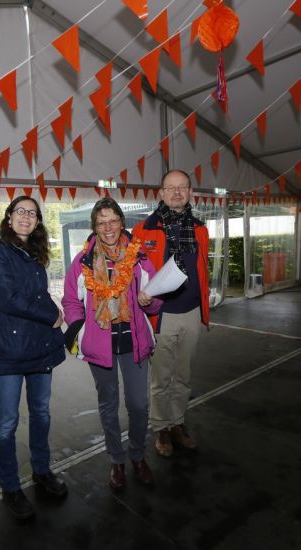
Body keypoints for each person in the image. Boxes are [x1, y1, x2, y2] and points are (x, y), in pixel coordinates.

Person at [62, 198, 162, 491]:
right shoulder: (82, 261)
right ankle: (116, 459)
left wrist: (150, 300)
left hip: (134, 342)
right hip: (100, 345)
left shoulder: (139, 256)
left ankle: (137, 455)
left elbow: (157, 297)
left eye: (113, 221)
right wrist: (80, 329)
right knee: (108, 405)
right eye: (101, 222)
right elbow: (70, 301)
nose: (108, 228)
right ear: (94, 227)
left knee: (139, 405)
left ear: (122, 222)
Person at [0, 195, 67, 519]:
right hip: (7, 350)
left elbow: (38, 294)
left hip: (38, 345)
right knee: (6, 423)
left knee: (41, 412)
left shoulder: (34, 252)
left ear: (38, 221)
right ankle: (11, 487)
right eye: (21, 211)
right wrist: (52, 315)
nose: (26, 217)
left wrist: (54, 310)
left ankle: (41, 470)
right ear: (9, 216)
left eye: (33, 213)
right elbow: (8, 298)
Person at [132, 169, 209, 458]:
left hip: (191, 313)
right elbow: (133, 272)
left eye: (182, 187)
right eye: (170, 187)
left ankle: (177, 422)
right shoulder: (143, 230)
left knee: (184, 376)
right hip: (160, 315)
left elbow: (202, 270)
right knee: (161, 378)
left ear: (190, 192)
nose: (177, 192)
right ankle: (161, 427)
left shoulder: (200, 229)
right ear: (161, 193)